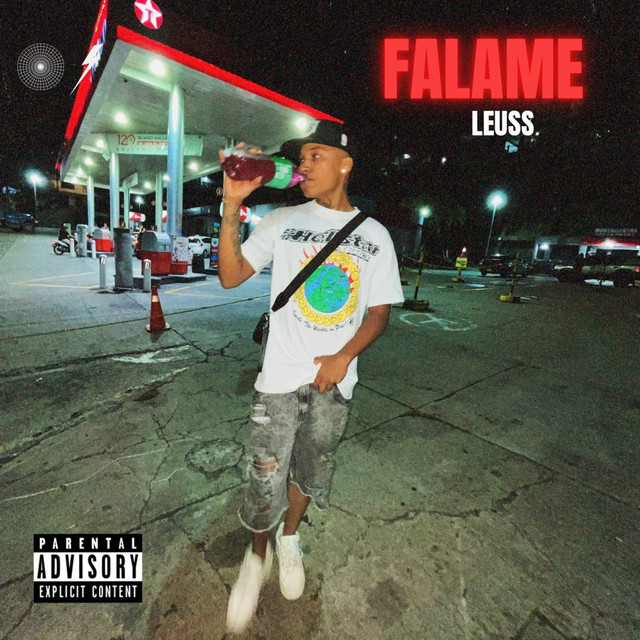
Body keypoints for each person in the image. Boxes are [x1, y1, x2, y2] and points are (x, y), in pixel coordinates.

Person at [218, 120, 404, 633]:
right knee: (265, 474)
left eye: (316, 155)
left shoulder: (375, 236)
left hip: (334, 386)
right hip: (278, 379)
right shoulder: (282, 220)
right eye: (302, 157)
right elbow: (231, 276)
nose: (303, 164)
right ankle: (256, 558)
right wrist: (232, 206)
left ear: (345, 164)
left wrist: (343, 357)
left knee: (310, 468)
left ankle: (289, 539)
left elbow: (379, 313)